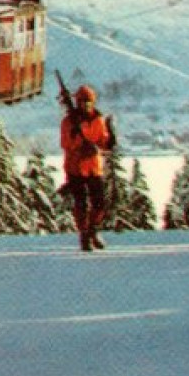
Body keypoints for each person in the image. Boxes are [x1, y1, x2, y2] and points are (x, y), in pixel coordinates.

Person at [60, 84, 116, 251]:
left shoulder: (98, 120)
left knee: (99, 203)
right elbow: (65, 143)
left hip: (93, 167)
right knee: (81, 204)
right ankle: (84, 235)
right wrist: (80, 144)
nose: (85, 105)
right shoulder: (68, 122)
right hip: (75, 168)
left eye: (88, 102)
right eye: (82, 102)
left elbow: (103, 141)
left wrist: (110, 138)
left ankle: (93, 230)